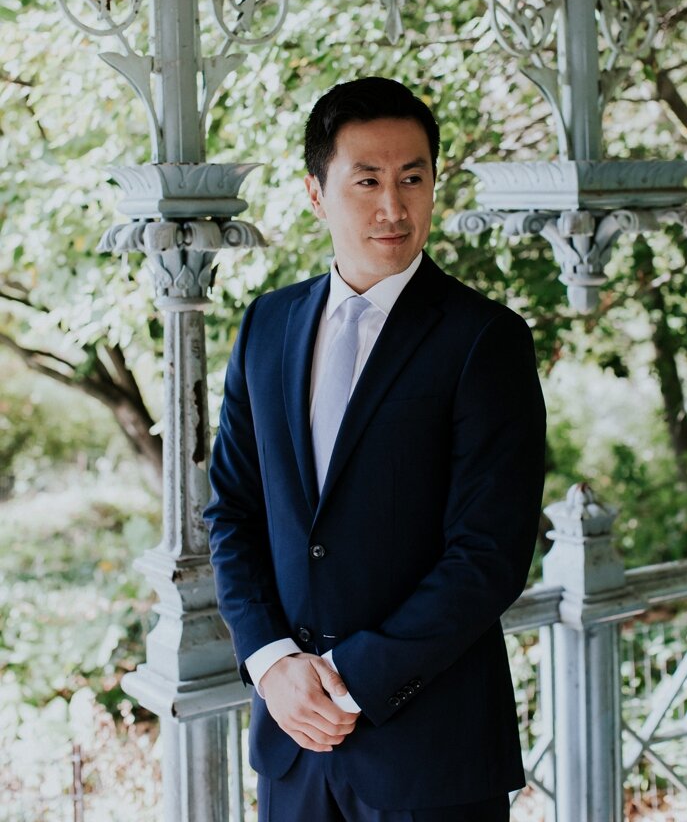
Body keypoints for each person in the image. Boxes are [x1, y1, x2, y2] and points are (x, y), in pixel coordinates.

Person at [204, 77, 547, 821]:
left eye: (413, 179)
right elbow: (231, 510)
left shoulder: (484, 339)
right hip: (294, 746)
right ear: (317, 192)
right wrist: (271, 665)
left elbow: (488, 553)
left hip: (433, 752)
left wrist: (348, 678)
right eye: (367, 181)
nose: (394, 207)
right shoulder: (266, 325)